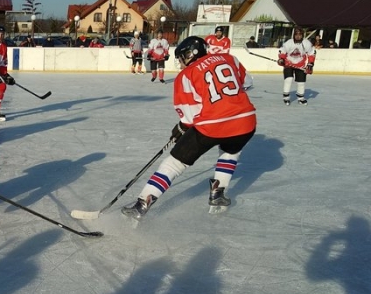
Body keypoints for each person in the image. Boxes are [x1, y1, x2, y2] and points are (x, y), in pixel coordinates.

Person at [121, 36, 256, 222]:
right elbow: (247, 82)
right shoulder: (229, 58)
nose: (181, 61)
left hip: (214, 124)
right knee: (230, 150)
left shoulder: (186, 75)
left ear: (191, 53)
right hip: (246, 120)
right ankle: (218, 193)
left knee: (175, 163)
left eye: (182, 56)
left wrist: (181, 128)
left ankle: (142, 204)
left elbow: (190, 117)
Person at [278, 26, 316, 106]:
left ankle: (300, 98)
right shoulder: (289, 43)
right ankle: (286, 97)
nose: (298, 36)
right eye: (296, 34)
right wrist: (281, 59)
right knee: (288, 79)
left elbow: (311, 53)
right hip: (288, 64)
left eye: (300, 34)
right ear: (293, 35)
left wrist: (310, 63)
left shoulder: (306, 43)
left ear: (302, 35)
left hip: (300, 64)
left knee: (301, 82)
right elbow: (282, 51)